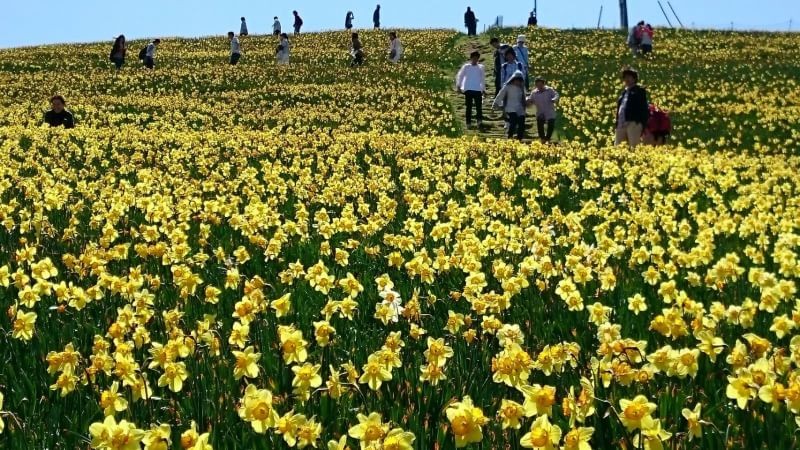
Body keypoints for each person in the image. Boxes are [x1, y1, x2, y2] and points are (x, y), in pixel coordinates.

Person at [615, 68, 649, 147]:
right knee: (618, 147)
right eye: (625, 77)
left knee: (633, 146)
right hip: (621, 123)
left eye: (629, 77)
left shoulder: (639, 91)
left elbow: (643, 109)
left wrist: (640, 123)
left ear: (634, 78)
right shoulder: (624, 93)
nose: (627, 79)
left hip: (633, 123)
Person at [455, 51, 486, 129]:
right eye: (473, 58)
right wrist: (458, 86)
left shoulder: (481, 67)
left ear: (478, 59)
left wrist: (483, 89)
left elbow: (482, 79)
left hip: (477, 89)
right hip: (468, 89)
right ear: (471, 58)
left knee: (479, 107)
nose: (475, 59)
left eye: (476, 58)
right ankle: (468, 123)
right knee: (469, 107)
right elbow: (460, 76)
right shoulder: (466, 67)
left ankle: (479, 122)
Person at [493, 71, 527, 140]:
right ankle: (510, 137)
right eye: (517, 80)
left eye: (519, 81)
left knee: (521, 123)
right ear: (513, 79)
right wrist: (496, 103)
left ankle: (519, 139)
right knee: (513, 122)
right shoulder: (507, 87)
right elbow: (500, 95)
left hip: (519, 108)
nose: (518, 82)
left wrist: (526, 103)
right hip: (510, 107)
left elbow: (524, 98)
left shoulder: (522, 88)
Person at [527, 78, 559, 143]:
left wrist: (554, 99)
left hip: (549, 111)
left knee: (551, 125)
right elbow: (530, 99)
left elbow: (556, 95)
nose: (539, 87)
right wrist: (528, 100)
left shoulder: (549, 90)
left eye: (540, 85)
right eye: (538, 85)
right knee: (540, 125)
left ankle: (548, 138)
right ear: (536, 85)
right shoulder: (534, 93)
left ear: (543, 84)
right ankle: (542, 138)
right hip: (540, 111)